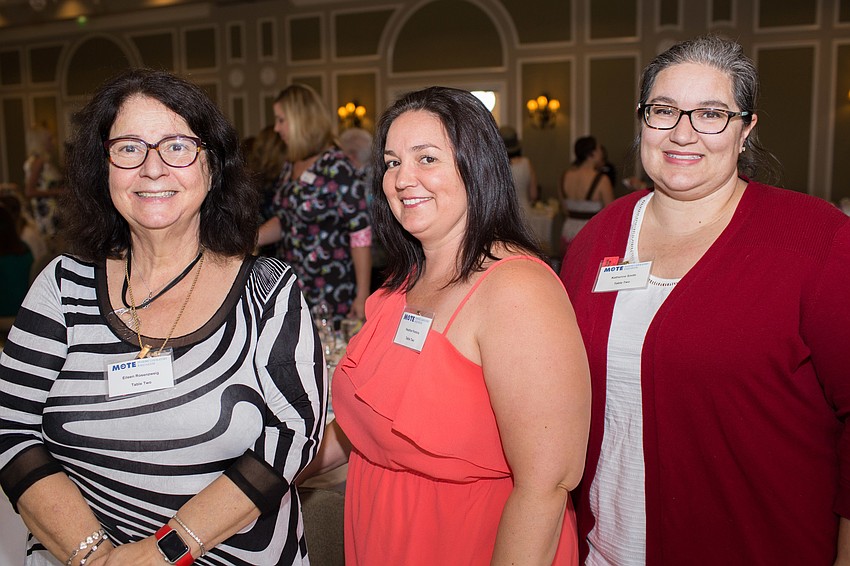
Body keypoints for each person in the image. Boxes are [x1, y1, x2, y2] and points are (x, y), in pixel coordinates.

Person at [0, 68, 326, 566]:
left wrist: (163, 552)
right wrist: (97, 556)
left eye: (177, 146)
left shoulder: (268, 291)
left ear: (211, 168)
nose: (152, 169)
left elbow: (293, 435)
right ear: (102, 166)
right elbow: (11, 429)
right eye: (129, 148)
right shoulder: (62, 284)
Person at [560, 35, 850, 565]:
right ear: (642, 121)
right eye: (664, 110)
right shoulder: (596, 241)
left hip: (759, 545)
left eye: (712, 113)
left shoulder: (816, 240)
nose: (682, 132)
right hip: (605, 550)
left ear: (746, 130)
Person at [301, 86, 591, 565]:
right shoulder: (401, 284)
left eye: (427, 158)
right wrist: (268, 479)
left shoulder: (516, 289)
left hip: (468, 542)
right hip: (381, 537)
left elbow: (545, 486)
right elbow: (363, 427)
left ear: (475, 166)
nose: (401, 178)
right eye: (392, 162)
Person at [257, 84, 371, 327]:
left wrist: (362, 296)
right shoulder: (291, 165)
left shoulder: (337, 167)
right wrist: (250, 239)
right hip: (293, 286)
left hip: (331, 289)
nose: (276, 128)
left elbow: (360, 233)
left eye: (281, 120)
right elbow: (286, 219)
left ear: (301, 121)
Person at [559, 136, 615, 255]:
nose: (602, 153)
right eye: (599, 149)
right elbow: (611, 214)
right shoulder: (602, 180)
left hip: (568, 231)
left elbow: (564, 210)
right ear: (592, 153)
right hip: (591, 233)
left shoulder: (565, 176)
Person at [23, 124, 64, 243]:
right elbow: (29, 191)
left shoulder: (36, 161)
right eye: (49, 139)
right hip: (47, 212)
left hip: (47, 211)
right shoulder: (38, 162)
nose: (53, 142)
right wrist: (59, 192)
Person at [499, 125, 539, 211]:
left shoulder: (496, 166)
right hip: (524, 212)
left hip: (502, 214)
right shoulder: (526, 163)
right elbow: (534, 195)